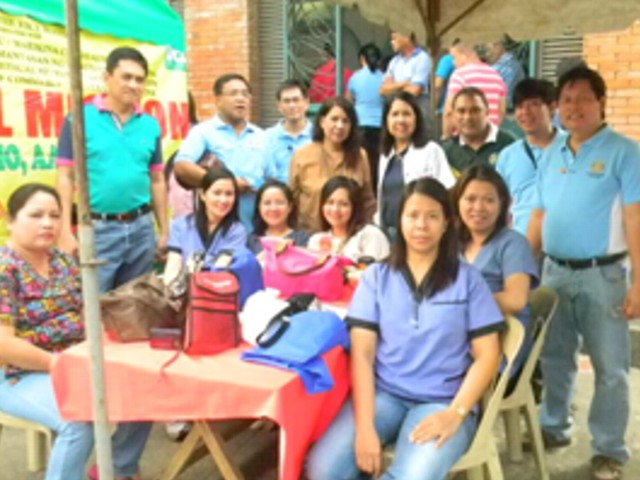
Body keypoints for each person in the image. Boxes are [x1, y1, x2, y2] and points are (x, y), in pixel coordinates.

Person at [306, 177, 504, 480]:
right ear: (399, 220)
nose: (421, 225)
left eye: (432, 216)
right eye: (413, 215)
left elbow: (488, 354)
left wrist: (455, 414)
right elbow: (362, 355)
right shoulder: (377, 277)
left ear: (447, 223)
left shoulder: (468, 280)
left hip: (441, 401)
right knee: (322, 470)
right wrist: (365, 428)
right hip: (384, 395)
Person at [527, 66, 640, 480]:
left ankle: (609, 449)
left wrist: (638, 282)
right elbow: (539, 215)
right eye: (566, 100)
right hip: (554, 271)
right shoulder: (551, 152)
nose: (573, 107)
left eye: (583, 99)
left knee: (610, 367)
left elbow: (635, 218)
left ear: (601, 103)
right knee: (555, 357)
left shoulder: (625, 152)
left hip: (603, 275)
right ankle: (554, 426)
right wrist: (521, 265)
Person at [0, 183, 151, 480]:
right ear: (10, 221)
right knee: (79, 419)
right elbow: (4, 345)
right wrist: (58, 364)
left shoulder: (63, 262)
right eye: (36, 215)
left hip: (75, 363)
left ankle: (118, 470)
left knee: (144, 387)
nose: (48, 223)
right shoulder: (6, 270)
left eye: (55, 215)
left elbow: (87, 315)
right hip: (18, 374)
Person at [56, 46, 168, 293]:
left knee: (137, 303)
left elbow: (157, 180)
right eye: (126, 77)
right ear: (107, 77)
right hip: (98, 229)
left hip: (142, 229)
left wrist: (164, 231)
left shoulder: (150, 125)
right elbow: (65, 176)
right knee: (95, 304)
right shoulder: (79, 118)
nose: (133, 85)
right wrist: (64, 231)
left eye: (139, 79)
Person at [453, 165, 538, 376]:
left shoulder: (513, 244)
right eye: (470, 199)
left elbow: (515, 300)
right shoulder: (451, 244)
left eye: (489, 200)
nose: (478, 207)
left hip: (499, 342)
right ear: (458, 202)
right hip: (455, 338)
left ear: (502, 205)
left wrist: (458, 304)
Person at [173, 73, 267, 231]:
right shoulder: (203, 132)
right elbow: (181, 166)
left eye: (245, 94)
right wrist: (226, 183)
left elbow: (272, 177)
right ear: (217, 100)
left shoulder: (262, 136)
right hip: (216, 229)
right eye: (233, 93)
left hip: (254, 228)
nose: (240, 99)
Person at [289, 97, 376, 233]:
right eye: (334, 119)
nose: (340, 126)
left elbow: (367, 200)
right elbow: (292, 201)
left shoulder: (360, 156)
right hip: (310, 236)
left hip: (350, 237)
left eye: (345, 121)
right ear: (322, 122)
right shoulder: (302, 155)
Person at [377, 92, 454, 241]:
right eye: (395, 114)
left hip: (420, 234)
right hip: (387, 234)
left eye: (406, 114)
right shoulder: (385, 155)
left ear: (416, 118)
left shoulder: (431, 150)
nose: (400, 120)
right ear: (386, 120)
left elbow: (448, 191)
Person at [496, 79, 564, 235]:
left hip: (564, 243)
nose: (525, 112)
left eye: (534, 104)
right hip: (521, 242)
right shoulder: (508, 156)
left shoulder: (573, 148)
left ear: (552, 107)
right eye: (519, 107)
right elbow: (500, 204)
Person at [163, 167, 247, 284]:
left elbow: (219, 269)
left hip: (216, 289)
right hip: (180, 289)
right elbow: (172, 269)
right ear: (202, 194)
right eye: (217, 193)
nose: (223, 200)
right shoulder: (180, 225)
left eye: (229, 194)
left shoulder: (237, 231)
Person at [308, 176, 389, 262]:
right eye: (330, 202)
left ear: (355, 207)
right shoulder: (316, 240)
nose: (335, 209)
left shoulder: (370, 235)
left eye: (343, 204)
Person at [441, 87, 515, 176]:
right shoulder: (445, 151)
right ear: (453, 115)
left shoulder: (508, 145)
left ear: (487, 112)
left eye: (475, 110)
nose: (468, 117)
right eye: (461, 111)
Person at [442, 43, 507, 138]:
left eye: (454, 57)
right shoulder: (497, 76)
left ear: (464, 54)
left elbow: (449, 113)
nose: (453, 62)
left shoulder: (459, 75)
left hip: (464, 138)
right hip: (490, 136)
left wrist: (446, 136)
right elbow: (501, 111)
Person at [346, 43, 385, 190]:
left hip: (360, 126)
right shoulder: (385, 78)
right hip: (380, 127)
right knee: (377, 165)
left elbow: (348, 102)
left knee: (360, 163)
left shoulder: (355, 77)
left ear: (362, 59)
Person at [380, 31, 433, 136]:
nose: (392, 42)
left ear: (407, 37)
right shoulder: (394, 61)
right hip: (397, 119)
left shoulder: (422, 58)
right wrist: (404, 83)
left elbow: (415, 90)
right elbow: (382, 90)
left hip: (419, 116)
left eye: (394, 38)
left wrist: (393, 87)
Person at [264, 79, 313, 183]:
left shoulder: (319, 135)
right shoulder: (267, 138)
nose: (292, 105)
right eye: (286, 101)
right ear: (279, 106)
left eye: (296, 100)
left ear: (306, 103)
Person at [247, 179, 309, 254]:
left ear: (290, 207)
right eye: (267, 203)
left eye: (279, 202)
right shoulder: (251, 241)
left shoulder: (303, 239)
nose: (273, 208)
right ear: (259, 207)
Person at [484, 38, 526, 111]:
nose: (487, 54)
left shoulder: (509, 67)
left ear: (498, 47)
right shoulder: (500, 65)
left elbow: (505, 99)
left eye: (488, 50)